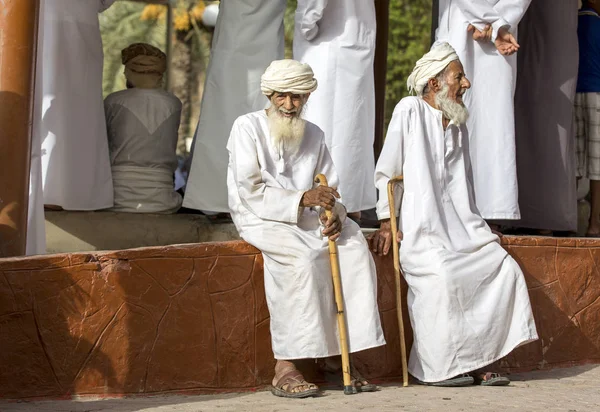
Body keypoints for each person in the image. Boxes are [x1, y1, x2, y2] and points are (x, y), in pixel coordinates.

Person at [370, 43, 538, 387]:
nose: (467, 83)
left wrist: (481, 226)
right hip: (423, 231)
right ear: (435, 83)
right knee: (443, 276)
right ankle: (438, 367)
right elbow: (387, 172)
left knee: (503, 268)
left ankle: (482, 361)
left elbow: (466, 185)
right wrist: (388, 221)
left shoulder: (458, 122)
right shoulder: (410, 110)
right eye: (458, 76)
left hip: (462, 229)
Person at [227, 59, 385, 397]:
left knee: (355, 248)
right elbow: (249, 188)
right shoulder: (247, 126)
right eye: (282, 96)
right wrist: (302, 197)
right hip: (262, 215)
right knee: (302, 260)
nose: (289, 105)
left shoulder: (313, 133)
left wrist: (337, 213)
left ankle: (338, 355)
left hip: (309, 218)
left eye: (297, 97)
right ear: (269, 95)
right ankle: (287, 365)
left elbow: (330, 187)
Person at [183, 0, 287, 217]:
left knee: (223, 119)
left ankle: (216, 199)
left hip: (235, 48)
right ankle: (245, 198)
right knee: (254, 120)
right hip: (262, 51)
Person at [436, 0, 532, 228]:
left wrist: (495, 24)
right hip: (465, 28)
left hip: (493, 36)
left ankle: (489, 208)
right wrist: (496, 23)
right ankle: (452, 208)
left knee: (493, 120)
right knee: (453, 114)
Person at [293, 0, 377, 222]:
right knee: (352, 127)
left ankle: (324, 203)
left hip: (328, 44)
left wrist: (304, 25)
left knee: (321, 125)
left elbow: (310, 14)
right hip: (356, 41)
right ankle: (350, 202)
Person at [508, 0, 579, 235]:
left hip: (552, 34)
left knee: (552, 125)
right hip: (519, 35)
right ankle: (521, 211)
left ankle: (550, 214)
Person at [39, 0, 115, 210]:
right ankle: (62, 193)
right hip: (64, 30)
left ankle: (53, 192)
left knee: (70, 112)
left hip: (73, 31)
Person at [104, 43, 183, 214]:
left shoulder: (114, 101)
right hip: (163, 199)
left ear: (129, 72)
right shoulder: (173, 103)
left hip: (116, 197)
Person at [576, 0, 600, 236]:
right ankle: (594, 224)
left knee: (574, 163)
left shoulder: (572, 22)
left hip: (573, 94)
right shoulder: (596, 24)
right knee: (597, 166)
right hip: (596, 94)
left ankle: (567, 219)